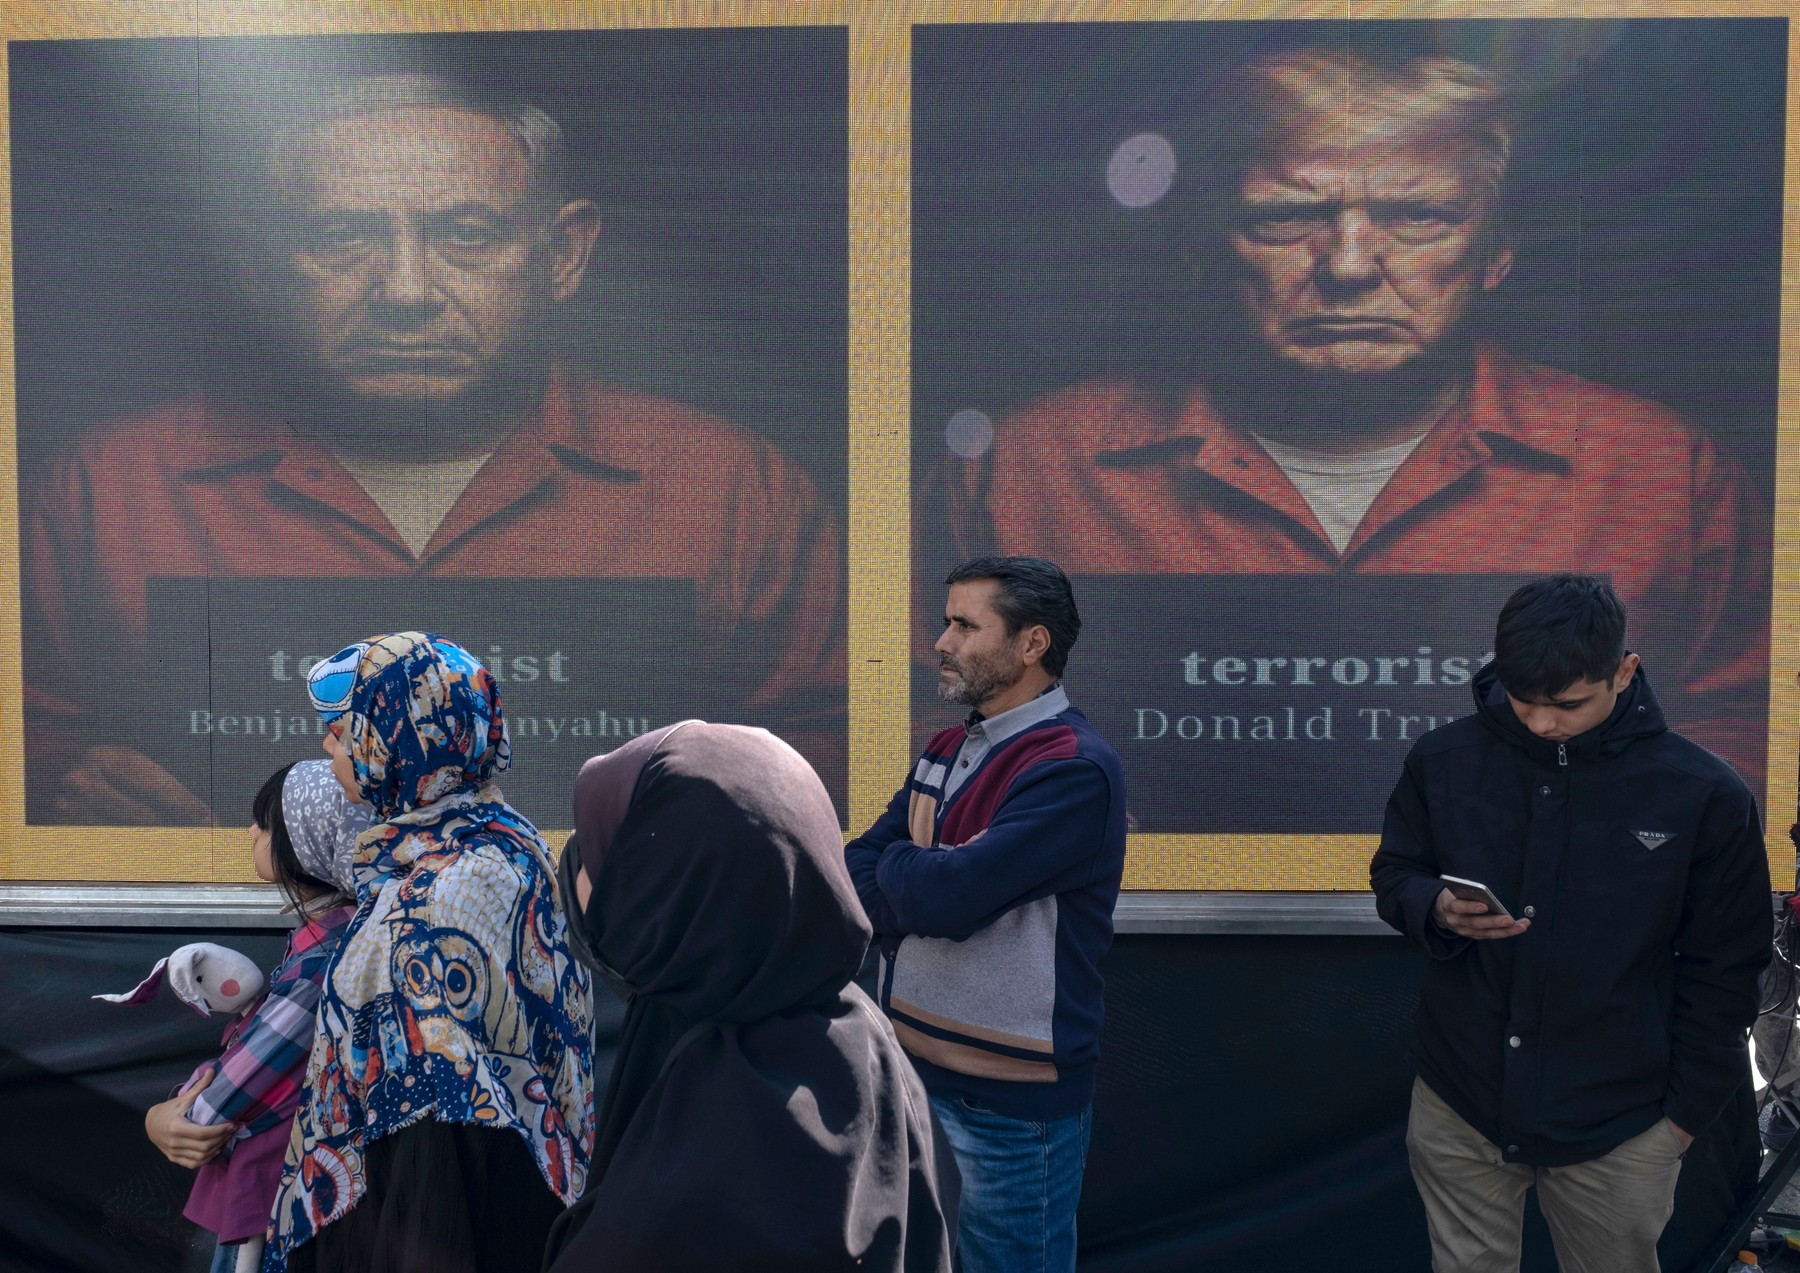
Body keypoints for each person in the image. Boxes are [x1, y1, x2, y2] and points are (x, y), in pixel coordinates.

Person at [924, 48, 1769, 784]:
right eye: (1287, 216)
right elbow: (919, 728)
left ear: (1497, 253)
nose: (1352, 265)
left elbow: (1742, 732)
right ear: (1207, 247)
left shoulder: (1660, 470)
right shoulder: (1026, 466)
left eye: (1418, 215)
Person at [22, 70, 844, 826]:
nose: (406, 292)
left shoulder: (732, 490)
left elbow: (831, 769)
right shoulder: (111, 489)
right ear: (267, 262)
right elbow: (32, 757)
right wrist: (81, 803)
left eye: (467, 234)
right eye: (344, 236)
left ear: (563, 255)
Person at [1369, 574, 1771, 1272]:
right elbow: (1394, 872)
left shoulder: (1703, 792)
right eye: (1523, 702)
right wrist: (1431, 904)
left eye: (1567, 704)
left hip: (1622, 1119)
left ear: (1626, 670)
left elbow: (1728, 966)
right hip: (1460, 1098)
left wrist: (1678, 1123)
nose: (1541, 723)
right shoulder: (1444, 758)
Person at [542, 720, 956, 1272]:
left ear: (673, 893)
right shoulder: (866, 1046)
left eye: (597, 854)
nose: (573, 872)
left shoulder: (710, 1169)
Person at [266, 631, 592, 1273]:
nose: (330, 747)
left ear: (393, 742)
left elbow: (432, 1123)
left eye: (344, 731)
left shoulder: (435, 892)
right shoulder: (502, 844)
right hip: (518, 1207)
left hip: (430, 1228)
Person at [844, 556, 1126, 1273]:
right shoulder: (947, 747)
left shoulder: (1073, 765)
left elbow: (952, 899)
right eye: (947, 621)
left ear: (1032, 644)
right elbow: (856, 869)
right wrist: (921, 875)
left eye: (966, 625)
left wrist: (912, 875)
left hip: (1008, 1111)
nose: (941, 641)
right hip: (909, 1079)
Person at [142, 760, 366, 1273]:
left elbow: (209, 1111)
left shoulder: (320, 965)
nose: (251, 831)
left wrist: (174, 1104)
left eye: (266, 823)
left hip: (261, 1215)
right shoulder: (333, 943)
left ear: (305, 845)